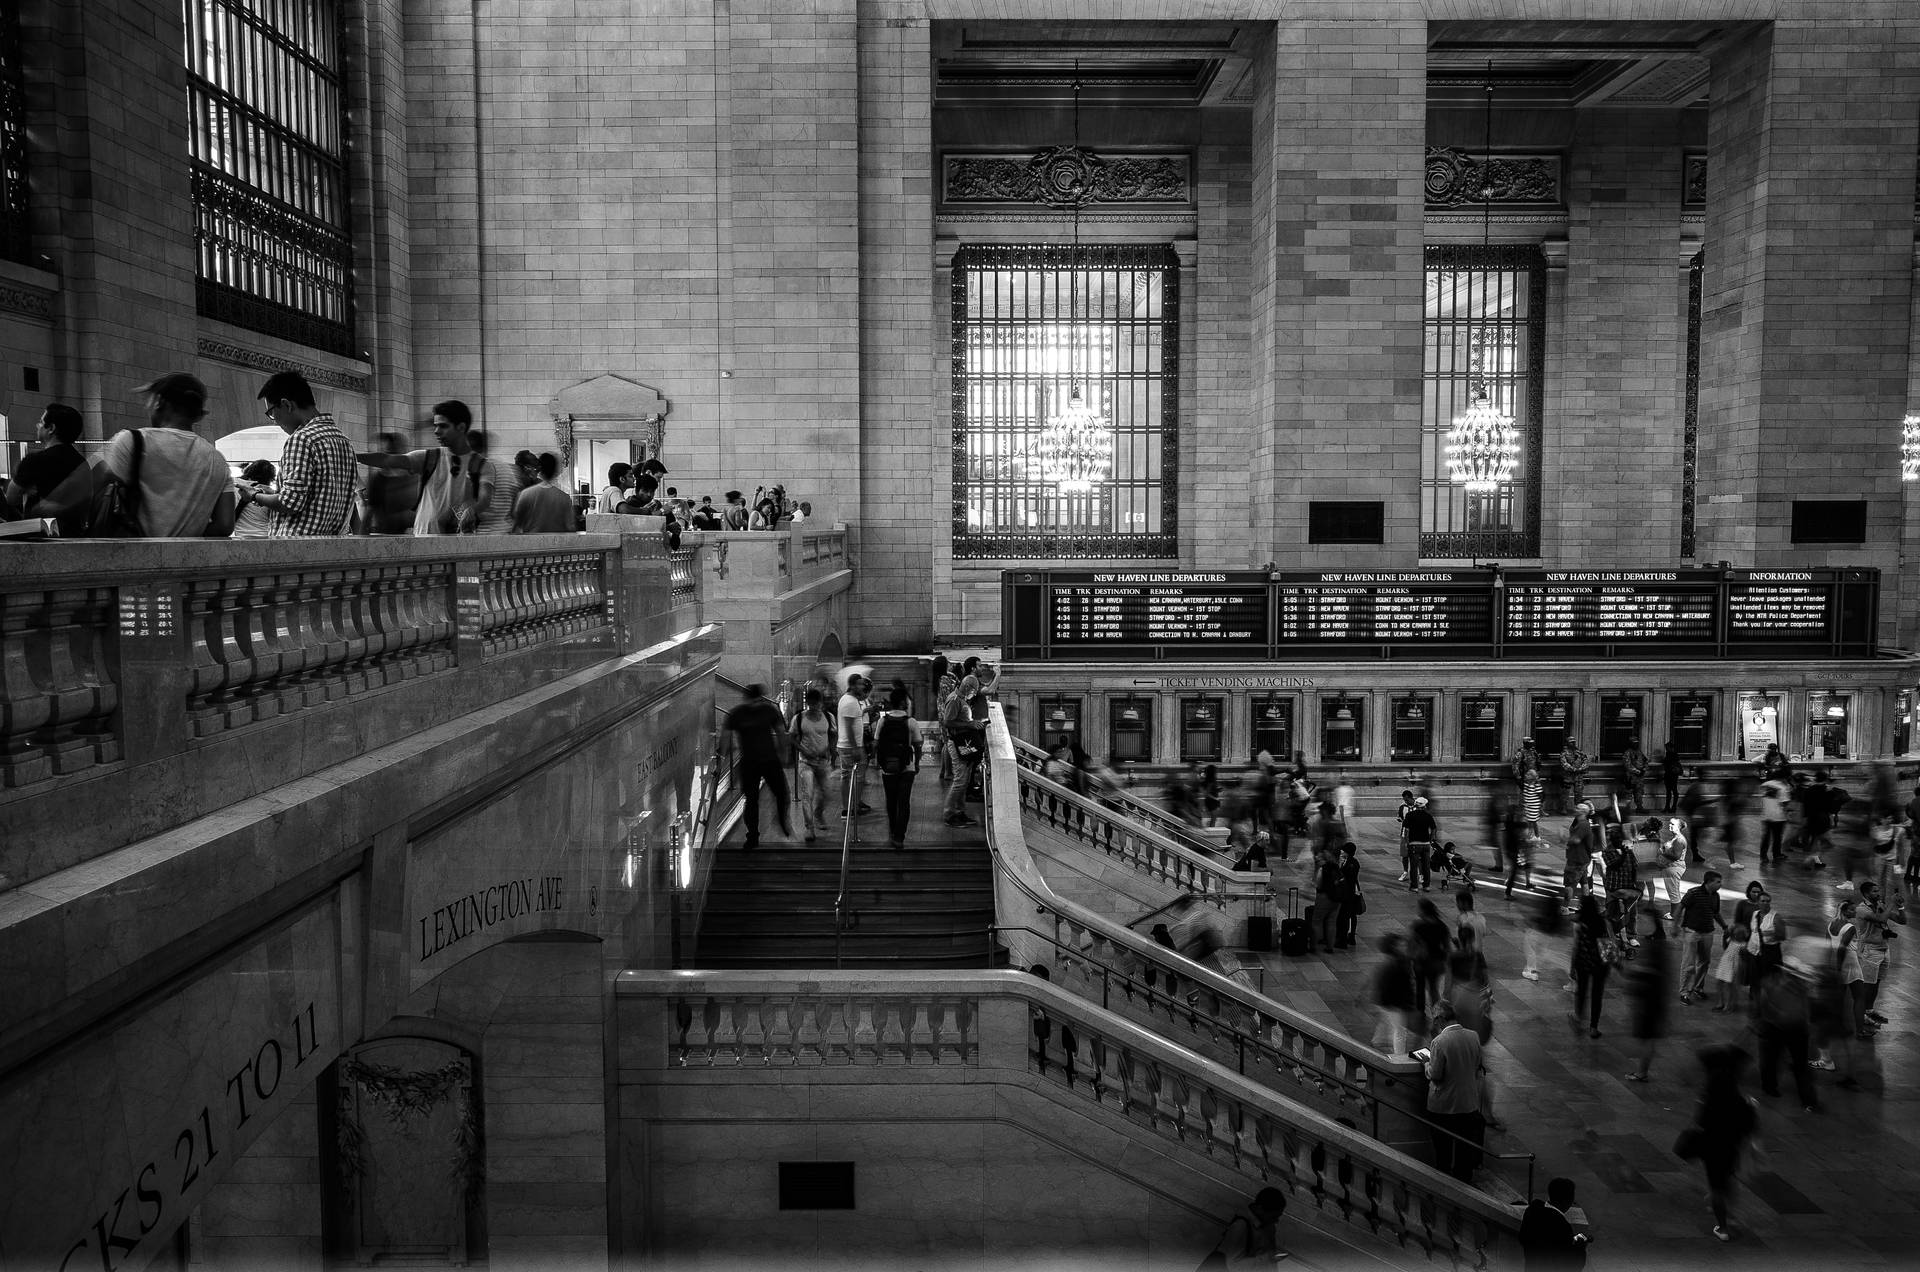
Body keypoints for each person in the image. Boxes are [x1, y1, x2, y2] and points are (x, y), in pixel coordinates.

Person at [105, 373, 236, 538]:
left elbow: (93, 488)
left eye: (149, 401)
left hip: (133, 556)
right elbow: (224, 525)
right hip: (186, 558)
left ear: (159, 401)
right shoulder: (217, 459)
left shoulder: (132, 441)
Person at [357, 400, 488, 535]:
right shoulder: (430, 457)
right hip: (423, 539)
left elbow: (484, 499)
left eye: (443, 426)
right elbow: (386, 459)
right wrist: (350, 455)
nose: (436, 431)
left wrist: (471, 509)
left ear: (461, 427)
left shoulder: (481, 465)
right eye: (435, 426)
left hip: (456, 542)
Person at [252, 370, 356, 536]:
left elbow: (290, 503)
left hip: (295, 547)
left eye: (271, 413)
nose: (274, 420)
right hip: (332, 546)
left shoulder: (301, 439)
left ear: (286, 405)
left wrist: (254, 495)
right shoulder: (344, 441)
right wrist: (271, 493)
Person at [1682, 1044, 1759, 1242]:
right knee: (1728, 1179)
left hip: (1711, 1146)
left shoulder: (1710, 1099)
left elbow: (1699, 1122)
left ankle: (1722, 1227)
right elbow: (1749, 1127)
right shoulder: (1741, 1102)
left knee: (1715, 1187)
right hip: (1731, 1147)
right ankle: (1730, 1213)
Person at [724, 683, 793, 850]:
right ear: (760, 697)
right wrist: (784, 754)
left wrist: (723, 755)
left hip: (749, 762)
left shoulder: (736, 713)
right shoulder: (768, 710)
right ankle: (781, 821)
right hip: (768, 760)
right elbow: (781, 733)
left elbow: (725, 738)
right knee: (781, 794)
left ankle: (753, 836)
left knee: (752, 800)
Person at [1422, 998, 1485, 1183]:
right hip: (1468, 1104)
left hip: (1444, 1107)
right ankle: (1464, 1188)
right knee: (1464, 1155)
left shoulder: (1439, 1041)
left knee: (1443, 1153)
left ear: (1440, 1020)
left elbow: (1436, 1074)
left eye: (1434, 1020)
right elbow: (1476, 1065)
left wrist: (1426, 1064)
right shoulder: (1473, 1036)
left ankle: (1445, 1189)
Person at [5, 403, 91, 536]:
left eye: (41, 422)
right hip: (75, 536)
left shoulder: (35, 460)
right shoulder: (82, 463)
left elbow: (11, 498)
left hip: (40, 536)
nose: (37, 425)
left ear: (51, 428)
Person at [1754, 961, 1817, 1112]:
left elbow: (1763, 1005)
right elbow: (1807, 1007)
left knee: (1772, 1059)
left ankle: (1770, 1087)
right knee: (1797, 1064)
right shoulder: (1801, 987)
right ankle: (1807, 1099)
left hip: (1781, 1028)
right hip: (1791, 1028)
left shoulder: (1771, 983)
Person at [872, 686, 922, 850]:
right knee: (904, 802)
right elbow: (918, 744)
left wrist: (879, 761)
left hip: (888, 767)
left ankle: (893, 831)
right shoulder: (911, 721)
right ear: (902, 703)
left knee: (891, 801)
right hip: (907, 767)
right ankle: (899, 836)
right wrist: (918, 763)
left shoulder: (882, 721)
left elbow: (876, 743)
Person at [1624, 918, 1671, 1081]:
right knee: (1647, 1038)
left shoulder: (1655, 946)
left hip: (1649, 1000)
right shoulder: (1657, 943)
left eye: (1644, 920)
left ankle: (1642, 1072)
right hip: (1652, 999)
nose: (1640, 923)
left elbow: (1651, 972)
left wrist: (1634, 971)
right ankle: (1642, 1071)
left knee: (1647, 1038)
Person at [788, 687, 836, 844]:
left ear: (821, 703)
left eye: (817, 704)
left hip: (823, 761)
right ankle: (809, 827)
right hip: (805, 762)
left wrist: (830, 750)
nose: (814, 707)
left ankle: (818, 813)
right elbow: (792, 737)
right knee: (807, 794)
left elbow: (833, 734)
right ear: (808, 703)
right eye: (811, 704)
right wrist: (803, 750)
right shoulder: (799, 718)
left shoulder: (828, 717)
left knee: (826, 792)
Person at [1518, 1177, 1591, 1272]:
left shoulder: (1532, 1210)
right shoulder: (1562, 1226)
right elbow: (1572, 1265)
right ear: (1569, 1200)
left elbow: (1523, 1238)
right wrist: (1580, 1247)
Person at [1675, 871, 1727, 1004]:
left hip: (1707, 932)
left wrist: (1725, 926)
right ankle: (1684, 992)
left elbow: (1715, 913)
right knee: (1689, 963)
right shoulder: (1693, 893)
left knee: (1704, 961)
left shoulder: (1715, 896)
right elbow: (1680, 907)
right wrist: (1675, 925)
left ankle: (1698, 987)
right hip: (1692, 932)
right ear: (1708, 882)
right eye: (1718, 882)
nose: (1720, 884)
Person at [1210, 1186, 1290, 1268]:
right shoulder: (1240, 1226)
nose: (1276, 1221)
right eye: (1273, 1216)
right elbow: (1234, 1266)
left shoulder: (1269, 1226)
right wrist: (1268, 1259)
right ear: (1260, 1209)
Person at [1569, 893, 1612, 1038]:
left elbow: (1576, 947)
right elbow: (1608, 944)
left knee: (1581, 992)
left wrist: (1572, 967)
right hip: (1600, 965)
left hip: (1583, 963)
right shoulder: (1603, 922)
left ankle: (1579, 1019)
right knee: (1597, 995)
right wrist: (1613, 964)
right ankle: (1593, 1027)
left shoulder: (1580, 924)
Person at [361, 431, 420, 534]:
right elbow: (369, 512)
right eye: (389, 453)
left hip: (413, 535)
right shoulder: (378, 479)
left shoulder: (414, 477)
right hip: (387, 536)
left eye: (394, 453)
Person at [1370, 933, 1418, 1056]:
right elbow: (1400, 986)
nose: (1404, 946)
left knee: (1387, 1021)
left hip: (1386, 1001)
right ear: (1393, 947)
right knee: (1400, 1031)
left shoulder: (1394, 961)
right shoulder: (1396, 964)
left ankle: (1377, 1041)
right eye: (1401, 944)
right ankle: (1399, 1057)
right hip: (1393, 1002)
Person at [836, 675, 874, 821]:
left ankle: (854, 804)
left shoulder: (851, 700)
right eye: (859, 684)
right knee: (854, 777)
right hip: (850, 746)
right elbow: (849, 726)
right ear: (852, 685)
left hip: (850, 745)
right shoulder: (850, 702)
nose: (862, 687)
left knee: (852, 777)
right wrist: (856, 748)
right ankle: (850, 808)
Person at [510, 452, 577, 532]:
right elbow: (570, 526)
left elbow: (517, 524)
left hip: (531, 541)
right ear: (556, 472)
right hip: (556, 542)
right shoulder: (564, 497)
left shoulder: (525, 494)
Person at [1410, 899, 1451, 1009]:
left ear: (1424, 911)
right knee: (1433, 988)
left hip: (1421, 963)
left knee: (1420, 988)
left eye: (1418, 909)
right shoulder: (1442, 926)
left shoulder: (1418, 926)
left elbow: (1412, 945)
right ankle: (1436, 1014)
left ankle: (1420, 1012)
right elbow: (1447, 947)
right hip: (1436, 962)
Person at [1520, 885, 1563, 982]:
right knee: (1539, 951)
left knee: (1530, 950)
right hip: (1548, 934)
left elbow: (1539, 919)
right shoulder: (1556, 909)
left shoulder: (1546, 908)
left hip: (1539, 932)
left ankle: (1532, 972)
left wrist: (1531, 921)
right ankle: (1533, 971)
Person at [230, 459, 276, 540]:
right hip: (265, 537)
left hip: (240, 537)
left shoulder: (236, 485)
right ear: (270, 478)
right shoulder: (270, 494)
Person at [1563, 802, 1597, 906]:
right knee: (1584, 882)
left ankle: (1565, 906)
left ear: (1583, 812)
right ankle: (1585, 906)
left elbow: (1576, 840)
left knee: (1569, 884)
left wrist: (1563, 838)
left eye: (1577, 808)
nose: (1575, 809)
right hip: (1582, 858)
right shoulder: (1580, 823)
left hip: (1577, 859)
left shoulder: (1583, 824)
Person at [1403, 795, 1438, 892]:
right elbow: (1434, 828)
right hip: (1426, 844)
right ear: (1424, 806)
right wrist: (1431, 839)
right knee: (1426, 866)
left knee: (1414, 866)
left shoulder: (1410, 815)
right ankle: (1426, 886)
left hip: (1414, 844)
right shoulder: (1428, 816)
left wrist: (1406, 841)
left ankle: (1414, 886)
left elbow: (1406, 830)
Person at [1758, 771, 1792, 865]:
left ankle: (1763, 856)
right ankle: (1776, 854)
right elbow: (1785, 803)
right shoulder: (1783, 787)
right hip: (1778, 816)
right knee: (1777, 837)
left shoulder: (1764, 785)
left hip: (1766, 814)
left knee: (1766, 836)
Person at [1312, 844, 1341, 953]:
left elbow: (1318, 885)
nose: (1317, 859)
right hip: (1336, 899)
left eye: (1319, 858)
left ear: (1323, 859)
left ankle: (1313, 946)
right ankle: (1330, 947)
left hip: (1324, 897)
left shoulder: (1322, 870)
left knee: (1316, 921)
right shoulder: (1336, 867)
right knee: (1331, 922)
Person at [1335, 840, 1362, 949]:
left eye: (1343, 850)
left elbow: (1346, 878)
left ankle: (1343, 940)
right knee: (1351, 915)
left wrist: (1340, 868)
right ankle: (1350, 937)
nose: (1341, 851)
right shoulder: (1351, 861)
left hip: (1348, 894)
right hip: (1352, 892)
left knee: (1345, 916)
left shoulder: (1351, 864)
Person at [1713, 925, 1747, 1012]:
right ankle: (1720, 1002)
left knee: (1730, 986)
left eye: (1738, 934)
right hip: (1725, 963)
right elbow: (1725, 943)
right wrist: (1727, 933)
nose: (1735, 936)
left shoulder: (1743, 945)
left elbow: (1743, 957)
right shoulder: (1731, 940)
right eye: (1735, 934)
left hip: (1733, 965)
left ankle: (1728, 1005)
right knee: (1719, 983)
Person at [1621, 739, 1649, 814]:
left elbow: (1645, 761)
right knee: (1628, 794)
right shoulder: (1627, 752)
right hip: (1630, 777)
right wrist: (1637, 771)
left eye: (1637, 743)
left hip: (1639, 778)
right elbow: (1627, 765)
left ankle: (1639, 807)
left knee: (1639, 792)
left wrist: (1644, 769)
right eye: (1634, 743)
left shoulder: (1639, 752)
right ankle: (1626, 809)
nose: (1636, 745)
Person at [1660, 743, 1684, 812]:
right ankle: (1670, 807)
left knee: (1672, 791)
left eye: (1667, 747)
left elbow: (1667, 763)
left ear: (1670, 747)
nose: (1666, 749)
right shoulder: (1672, 754)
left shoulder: (1673, 755)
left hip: (1671, 775)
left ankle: (1672, 807)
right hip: (1670, 775)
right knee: (1671, 791)